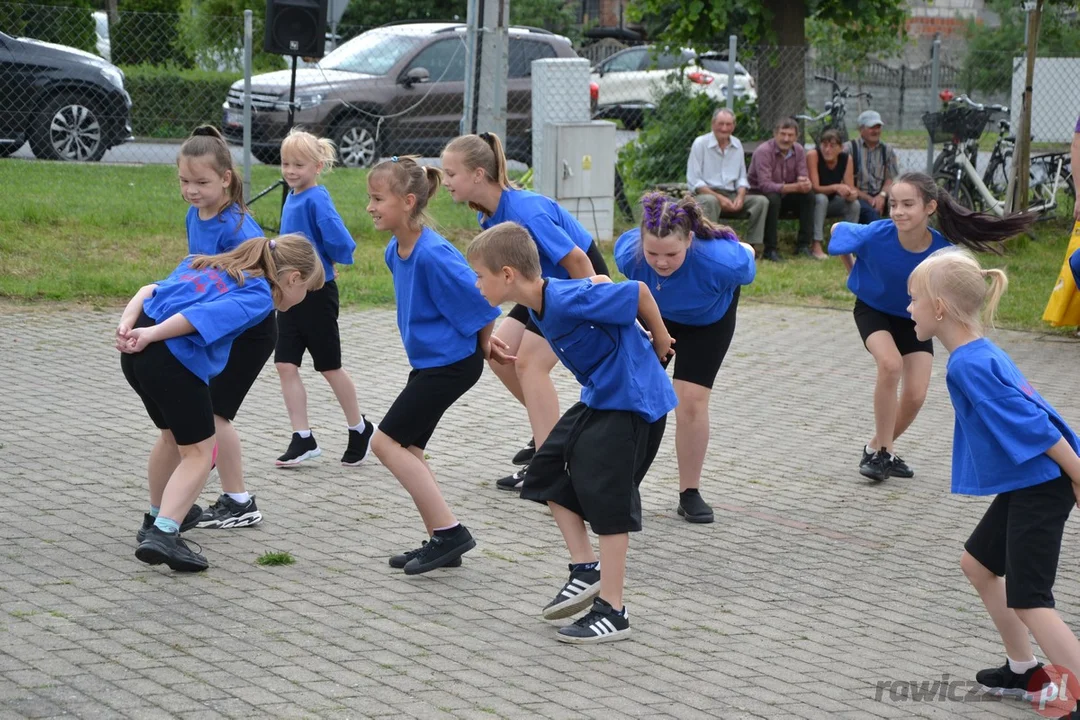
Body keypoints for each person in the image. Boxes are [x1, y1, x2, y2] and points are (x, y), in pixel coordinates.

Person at [467, 221, 677, 644]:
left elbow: (636, 292)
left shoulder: (563, 299)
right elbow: (598, 283)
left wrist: (661, 337)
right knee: (544, 468)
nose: (476, 284)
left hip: (634, 402)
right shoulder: (545, 304)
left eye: (480, 276)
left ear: (507, 275)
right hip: (603, 398)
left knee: (607, 498)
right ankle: (586, 568)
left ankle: (614, 611)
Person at [907, 249, 1080, 718]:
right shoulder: (979, 352)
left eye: (914, 299)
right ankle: (1024, 671)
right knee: (979, 565)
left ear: (939, 307)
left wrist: (1077, 474)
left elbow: (1034, 425)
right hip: (1033, 483)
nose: (909, 309)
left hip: (1042, 485)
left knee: (1031, 601)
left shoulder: (968, 365)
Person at [120, 235, 324, 571]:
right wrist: (152, 335)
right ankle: (164, 533)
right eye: (306, 290)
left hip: (136, 358)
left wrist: (128, 326)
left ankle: (155, 520)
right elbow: (198, 318)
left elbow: (148, 290)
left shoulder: (205, 263)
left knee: (172, 439)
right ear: (293, 279)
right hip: (170, 360)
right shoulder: (257, 295)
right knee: (199, 452)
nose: (303, 299)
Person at [827, 172, 1035, 482]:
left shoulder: (943, 251)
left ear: (930, 207)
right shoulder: (875, 233)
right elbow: (836, 230)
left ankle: (878, 448)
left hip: (914, 318)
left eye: (908, 204)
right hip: (872, 311)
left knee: (916, 394)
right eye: (894, 204)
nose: (898, 212)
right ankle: (882, 453)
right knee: (890, 364)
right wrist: (854, 274)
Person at [441, 132, 609, 490]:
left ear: (478, 174)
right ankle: (548, 431)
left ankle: (551, 468)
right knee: (499, 351)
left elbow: (578, 259)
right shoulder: (488, 215)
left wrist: (595, 308)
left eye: (451, 173)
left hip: (573, 282)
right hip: (540, 288)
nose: (444, 181)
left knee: (529, 364)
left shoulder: (523, 211)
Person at [366, 156, 500, 574]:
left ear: (408, 201)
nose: (369, 207)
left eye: (377, 198)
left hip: (452, 364)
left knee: (384, 443)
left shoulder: (433, 255)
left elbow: (483, 299)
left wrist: (485, 344)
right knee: (410, 449)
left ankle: (450, 532)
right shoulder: (396, 249)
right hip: (430, 363)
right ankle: (442, 541)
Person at [614, 193, 755, 524]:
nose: (661, 262)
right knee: (635, 396)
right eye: (653, 253)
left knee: (690, 401)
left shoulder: (723, 262)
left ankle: (689, 492)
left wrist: (740, 246)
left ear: (690, 240)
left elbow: (748, 255)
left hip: (709, 322)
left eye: (672, 254)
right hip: (658, 319)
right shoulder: (628, 254)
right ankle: (622, 486)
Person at [177, 125, 273, 531]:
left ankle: (239, 502)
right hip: (220, 329)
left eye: (201, 182)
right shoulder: (194, 214)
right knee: (210, 412)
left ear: (226, 179)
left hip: (250, 330)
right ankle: (226, 496)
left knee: (215, 413)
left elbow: (260, 289)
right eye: (184, 181)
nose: (192, 190)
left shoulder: (238, 228)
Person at [273, 129, 374, 469]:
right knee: (285, 364)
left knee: (329, 367)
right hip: (289, 294)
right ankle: (302, 438)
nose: (290, 171)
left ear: (317, 166)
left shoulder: (317, 198)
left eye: (298, 165)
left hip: (316, 294)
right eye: (286, 163)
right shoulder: (292, 196)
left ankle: (359, 428)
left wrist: (327, 264)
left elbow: (339, 240)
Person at [686, 107, 769, 255]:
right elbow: (695, 181)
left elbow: (742, 178)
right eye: (721, 124)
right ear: (713, 124)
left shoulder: (736, 145)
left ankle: (751, 248)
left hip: (731, 195)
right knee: (709, 201)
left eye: (728, 124)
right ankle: (709, 245)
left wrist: (740, 196)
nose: (724, 128)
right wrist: (720, 198)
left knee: (761, 201)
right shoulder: (700, 143)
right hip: (707, 194)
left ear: (734, 126)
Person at [747, 117, 815, 261]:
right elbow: (765, 185)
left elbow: (802, 175)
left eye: (790, 135)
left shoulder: (799, 150)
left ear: (797, 137)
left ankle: (803, 245)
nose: (786, 138)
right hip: (761, 194)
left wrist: (805, 183)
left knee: (809, 196)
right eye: (782, 134)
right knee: (773, 198)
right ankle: (770, 249)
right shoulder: (763, 151)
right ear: (775, 134)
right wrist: (794, 186)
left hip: (787, 194)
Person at [806, 129, 860, 259]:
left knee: (854, 204)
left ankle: (848, 245)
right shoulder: (813, 155)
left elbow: (850, 187)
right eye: (824, 145)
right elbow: (816, 187)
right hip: (813, 201)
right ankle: (816, 245)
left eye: (832, 146)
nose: (827, 149)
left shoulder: (846, 159)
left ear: (841, 148)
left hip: (833, 201)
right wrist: (836, 187)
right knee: (821, 199)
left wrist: (850, 194)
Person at [846, 110, 899, 224]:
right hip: (857, 196)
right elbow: (846, 183)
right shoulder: (849, 148)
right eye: (871, 127)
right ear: (861, 129)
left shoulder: (887, 150)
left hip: (881, 194)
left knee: (901, 205)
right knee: (871, 214)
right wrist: (869, 199)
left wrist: (882, 195)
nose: (875, 131)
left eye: (878, 127)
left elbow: (890, 179)